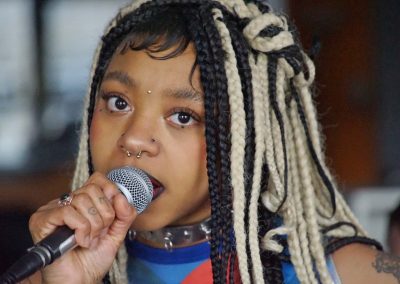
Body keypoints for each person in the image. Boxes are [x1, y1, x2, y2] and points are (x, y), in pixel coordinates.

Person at [24, 0, 400, 283]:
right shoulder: (51, 269)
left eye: (183, 117)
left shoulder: (348, 272)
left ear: (248, 139)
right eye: (118, 103)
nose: (135, 139)